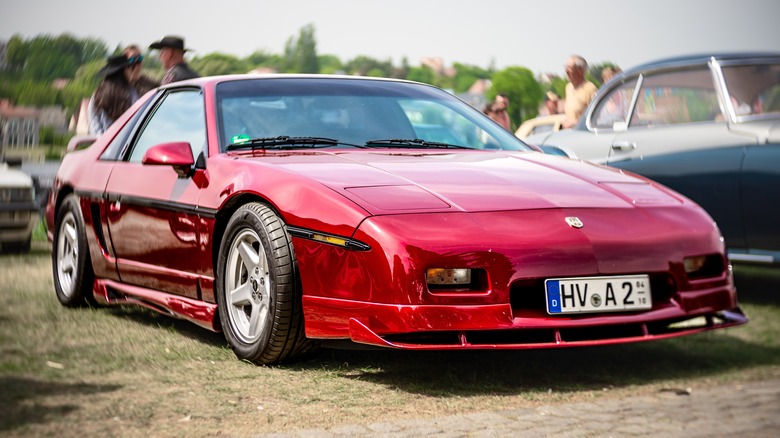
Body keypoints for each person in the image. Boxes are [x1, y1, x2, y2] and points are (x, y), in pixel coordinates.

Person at [88, 54, 142, 135]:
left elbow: (94, 124)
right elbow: (139, 119)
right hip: (127, 143)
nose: (132, 70)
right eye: (130, 68)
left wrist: (104, 141)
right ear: (123, 71)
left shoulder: (97, 95)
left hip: (105, 144)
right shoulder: (131, 93)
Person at [562, 55, 598, 128]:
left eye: (569, 68)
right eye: (565, 67)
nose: (566, 71)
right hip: (570, 134)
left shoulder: (590, 88)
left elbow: (596, 116)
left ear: (580, 71)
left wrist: (575, 122)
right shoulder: (568, 88)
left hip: (583, 135)